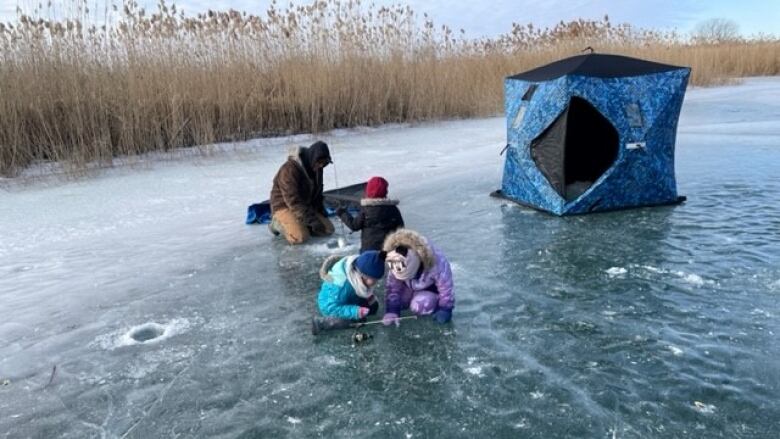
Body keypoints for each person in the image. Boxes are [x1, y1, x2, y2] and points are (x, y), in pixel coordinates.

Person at [382, 229, 454, 326]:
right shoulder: (395, 258)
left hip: (429, 288)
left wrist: (445, 308)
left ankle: (433, 303)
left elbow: (446, 288)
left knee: (420, 306)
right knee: (401, 303)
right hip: (409, 286)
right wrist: (392, 310)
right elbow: (393, 288)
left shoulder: (436, 262)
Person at [268, 141, 335, 244]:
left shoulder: (317, 168)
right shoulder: (289, 169)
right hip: (284, 206)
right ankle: (277, 223)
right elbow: (293, 201)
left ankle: (302, 223)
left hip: (304, 206)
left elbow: (318, 194)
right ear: (312, 157)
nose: (321, 165)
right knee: (300, 237)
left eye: (325, 163)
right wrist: (312, 220)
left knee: (328, 230)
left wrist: (320, 212)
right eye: (320, 162)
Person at [313, 250, 386, 334]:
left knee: (373, 307)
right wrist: (355, 311)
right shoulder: (341, 286)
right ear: (362, 275)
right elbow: (330, 307)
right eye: (373, 280)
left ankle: (355, 311)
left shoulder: (356, 276)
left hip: (349, 297)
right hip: (330, 305)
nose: (375, 283)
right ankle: (321, 323)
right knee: (351, 320)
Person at [335, 176, 404, 252]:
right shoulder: (393, 209)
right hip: (388, 251)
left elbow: (354, 226)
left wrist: (342, 213)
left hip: (368, 251)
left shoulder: (367, 210)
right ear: (385, 191)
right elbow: (401, 229)